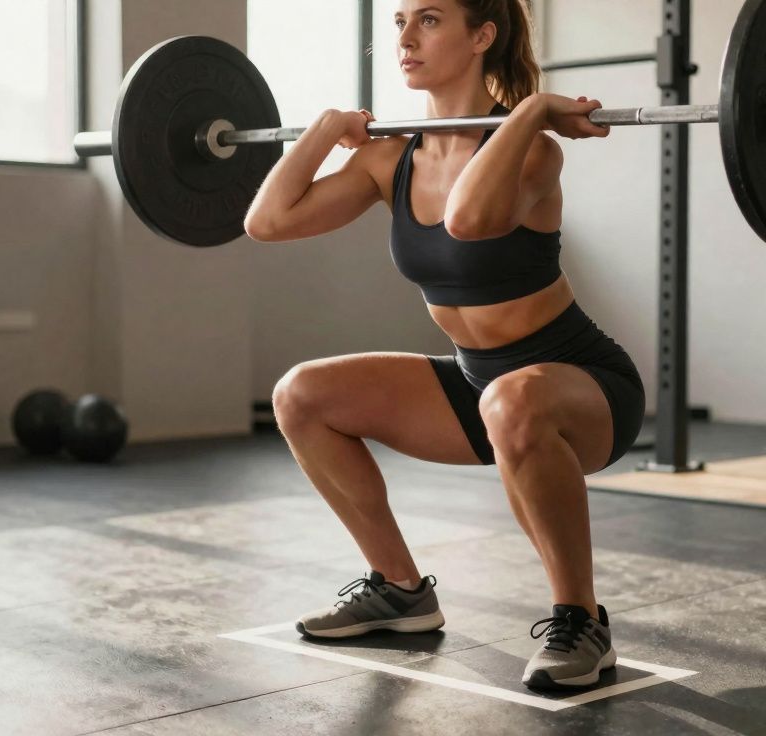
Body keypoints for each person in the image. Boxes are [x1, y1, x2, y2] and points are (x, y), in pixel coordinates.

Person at [243, 0, 644, 691]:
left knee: (514, 401)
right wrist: (319, 133)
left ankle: (583, 622)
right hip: (477, 387)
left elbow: (469, 220)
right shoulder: (387, 159)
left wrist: (526, 115)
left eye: (427, 19)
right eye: (398, 20)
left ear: (482, 35)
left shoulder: (536, 151)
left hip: (580, 384)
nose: (403, 36)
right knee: (301, 394)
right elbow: (267, 222)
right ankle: (400, 591)